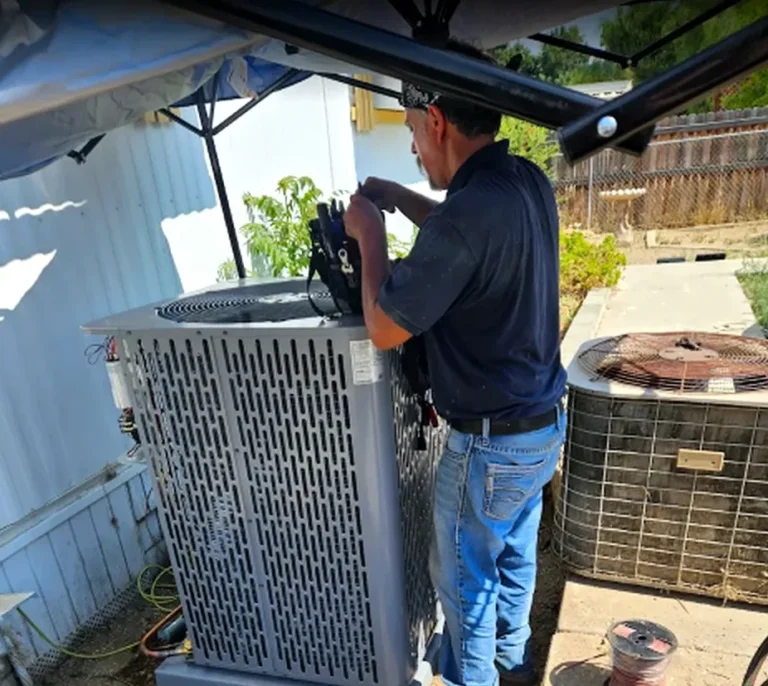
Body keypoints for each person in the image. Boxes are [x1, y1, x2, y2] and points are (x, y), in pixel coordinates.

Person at [342, 44, 566, 686]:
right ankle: (511, 665)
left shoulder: (468, 217)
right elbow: (455, 229)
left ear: (435, 121)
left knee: (464, 586)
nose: (413, 146)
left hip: (489, 446)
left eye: (413, 131)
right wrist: (397, 195)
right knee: (514, 555)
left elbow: (384, 328)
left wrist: (370, 236)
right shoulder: (523, 181)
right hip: (541, 429)